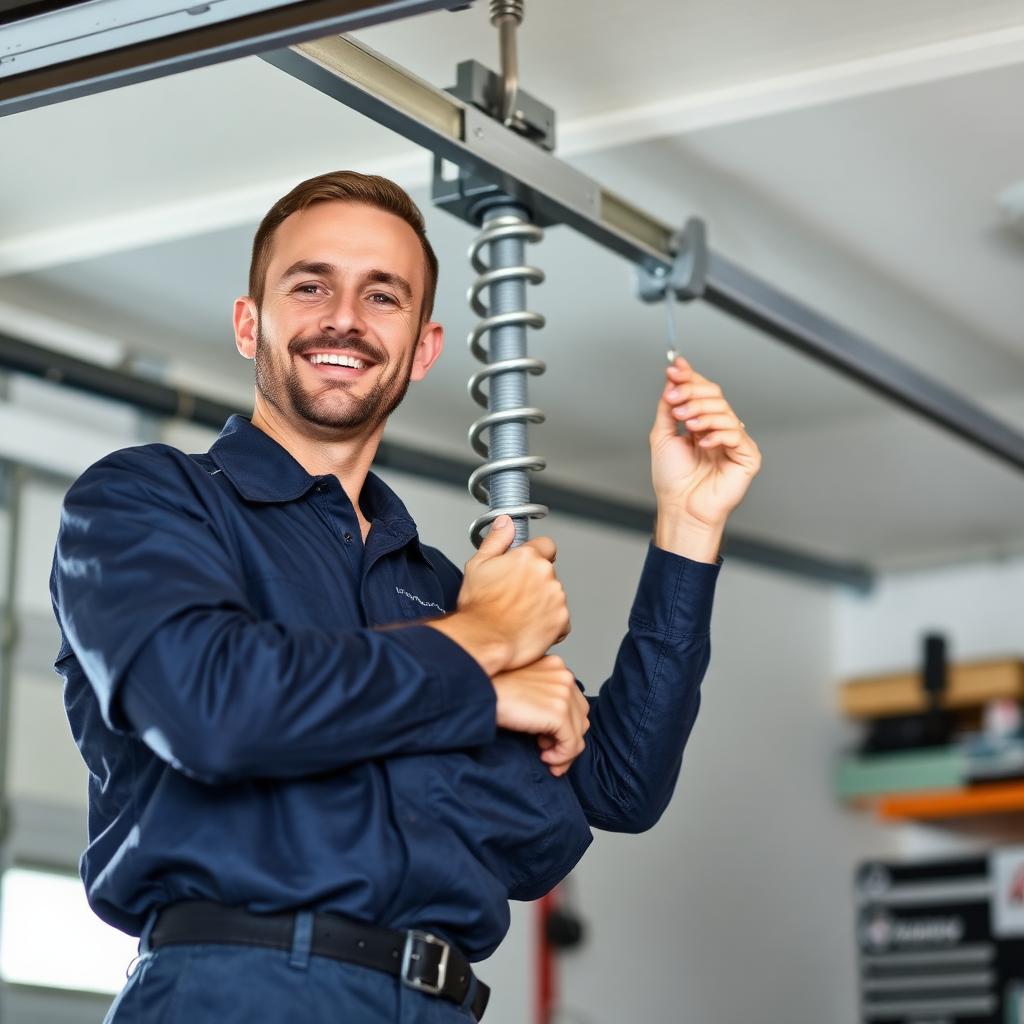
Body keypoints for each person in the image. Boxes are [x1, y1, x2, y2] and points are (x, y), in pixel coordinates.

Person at [50, 171, 761, 1023]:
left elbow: (615, 786)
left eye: (381, 296)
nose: (344, 317)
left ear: (423, 349)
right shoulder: (147, 501)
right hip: (237, 992)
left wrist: (688, 523)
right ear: (250, 323)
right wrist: (480, 655)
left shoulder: (434, 588)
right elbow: (215, 705)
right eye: (310, 285)